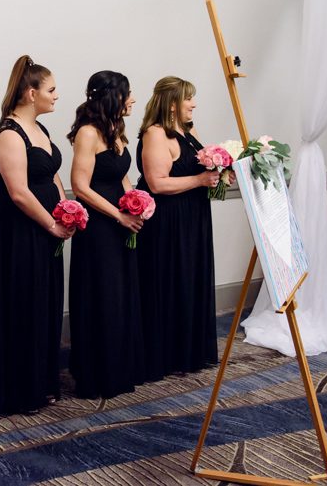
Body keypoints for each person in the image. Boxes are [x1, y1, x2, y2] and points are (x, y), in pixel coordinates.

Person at [0, 55, 73, 420]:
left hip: (48, 226)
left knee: (44, 303)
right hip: (18, 230)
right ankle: (16, 390)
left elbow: (51, 176)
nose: (56, 95)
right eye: (51, 89)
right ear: (31, 93)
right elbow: (18, 192)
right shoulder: (9, 134)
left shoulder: (41, 131)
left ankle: (41, 381)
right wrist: (51, 224)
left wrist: (66, 210)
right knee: (20, 303)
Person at [67, 70, 145, 399]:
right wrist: (118, 215)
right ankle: (97, 373)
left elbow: (122, 177)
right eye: (128, 93)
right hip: (99, 229)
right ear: (112, 96)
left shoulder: (116, 130)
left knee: (120, 296)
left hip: (120, 225)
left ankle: (120, 367)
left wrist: (137, 205)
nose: (133, 99)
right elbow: (80, 187)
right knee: (102, 297)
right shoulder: (88, 133)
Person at [135, 76, 219, 381]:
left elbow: (200, 168)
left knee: (191, 278)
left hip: (194, 217)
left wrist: (219, 175)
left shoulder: (188, 130)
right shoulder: (154, 134)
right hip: (167, 222)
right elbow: (157, 183)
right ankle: (166, 354)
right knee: (170, 281)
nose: (194, 104)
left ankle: (190, 350)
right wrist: (199, 180)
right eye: (188, 98)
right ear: (172, 105)